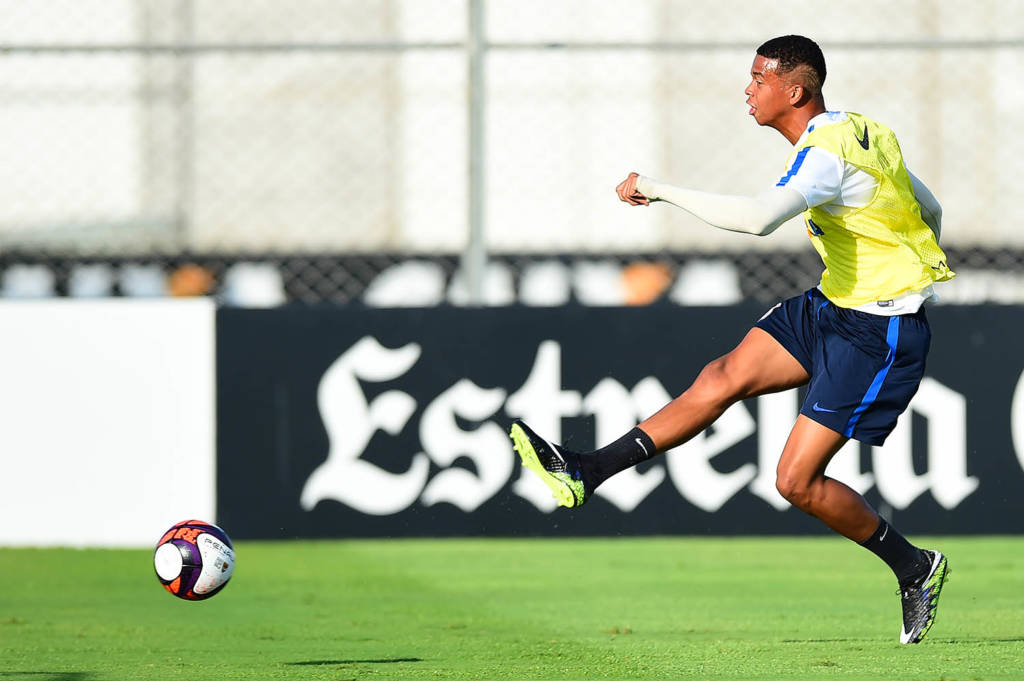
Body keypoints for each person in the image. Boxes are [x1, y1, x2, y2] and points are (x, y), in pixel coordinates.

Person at [509, 35, 953, 645]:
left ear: (794, 90)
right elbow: (928, 207)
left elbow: (757, 220)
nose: (748, 90)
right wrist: (915, 262)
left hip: (878, 328)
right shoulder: (860, 130)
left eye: (759, 79)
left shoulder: (824, 157)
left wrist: (658, 189)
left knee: (795, 482)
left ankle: (914, 566)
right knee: (722, 377)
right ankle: (587, 470)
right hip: (833, 304)